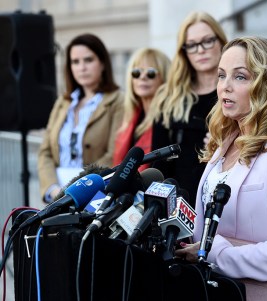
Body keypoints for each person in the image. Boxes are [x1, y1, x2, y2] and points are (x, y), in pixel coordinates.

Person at [175, 36, 267, 301]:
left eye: (240, 77)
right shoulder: (226, 141)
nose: (225, 87)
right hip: (222, 290)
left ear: (266, 85)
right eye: (221, 76)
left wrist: (217, 254)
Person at [145, 11, 227, 206]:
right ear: (184, 51)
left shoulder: (235, 92)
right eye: (192, 45)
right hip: (180, 202)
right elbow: (159, 162)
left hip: (224, 199)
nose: (200, 50)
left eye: (207, 41)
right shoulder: (169, 97)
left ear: (221, 42)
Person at [38, 33, 124, 203]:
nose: (81, 67)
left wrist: (78, 188)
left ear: (103, 63)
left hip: (94, 194)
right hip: (57, 195)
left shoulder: (118, 101)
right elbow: (45, 151)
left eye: (88, 60)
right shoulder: (64, 102)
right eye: (75, 62)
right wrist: (53, 189)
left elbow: (114, 153)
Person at [113, 48, 171, 171]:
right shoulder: (130, 117)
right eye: (136, 72)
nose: (143, 77)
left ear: (165, 77)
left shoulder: (169, 118)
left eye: (151, 73)